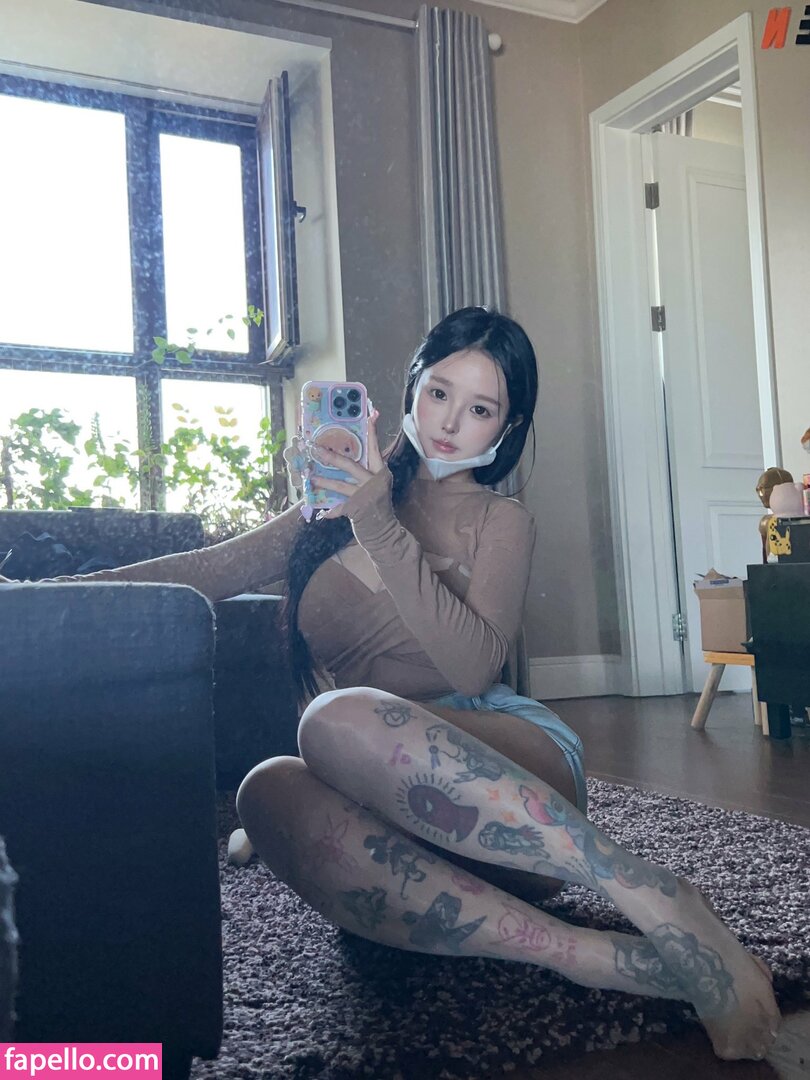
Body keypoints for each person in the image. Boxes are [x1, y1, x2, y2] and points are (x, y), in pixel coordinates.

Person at [0, 308, 780, 1060]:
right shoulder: (323, 511)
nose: (450, 421)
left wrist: (376, 519)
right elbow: (203, 572)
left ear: (506, 428)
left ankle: (656, 896)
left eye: (480, 408)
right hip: (393, 813)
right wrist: (36, 597)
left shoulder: (501, 520)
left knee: (334, 720)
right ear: (409, 388)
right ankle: (591, 956)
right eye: (439, 392)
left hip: (510, 774)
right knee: (265, 789)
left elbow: (472, 666)